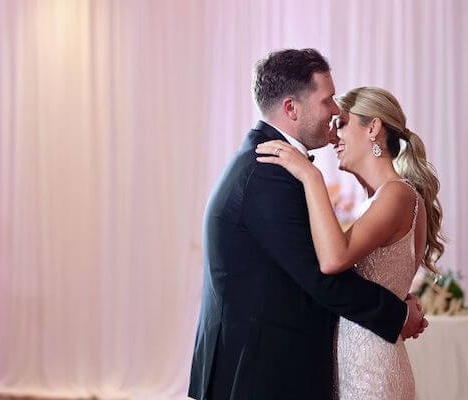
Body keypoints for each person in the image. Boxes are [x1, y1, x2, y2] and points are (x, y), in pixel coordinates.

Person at [188, 49, 427, 400]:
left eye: (343, 117)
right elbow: (321, 275)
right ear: (291, 108)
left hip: (293, 366)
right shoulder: (270, 172)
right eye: (328, 101)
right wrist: (396, 313)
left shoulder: (273, 164)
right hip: (260, 373)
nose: (333, 116)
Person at [256, 86, 445, 399]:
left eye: (340, 124)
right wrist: (401, 306)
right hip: (357, 361)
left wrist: (310, 176)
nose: (332, 138)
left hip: (370, 369)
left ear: (372, 127)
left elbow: (333, 260)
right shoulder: (378, 200)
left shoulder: (397, 195)